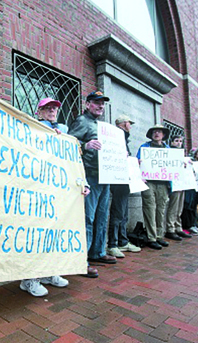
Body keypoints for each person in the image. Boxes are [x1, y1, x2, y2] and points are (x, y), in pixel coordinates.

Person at [19, 97, 90, 296]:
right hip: (38, 189)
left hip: (59, 192)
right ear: (38, 112)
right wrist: (46, 134)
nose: (52, 111)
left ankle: (50, 272)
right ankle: (30, 278)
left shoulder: (65, 133)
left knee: (55, 232)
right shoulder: (32, 128)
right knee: (37, 232)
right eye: (47, 108)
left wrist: (83, 182)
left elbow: (74, 161)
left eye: (54, 108)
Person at [69, 91, 117, 277]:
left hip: (106, 175)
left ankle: (98, 251)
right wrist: (85, 146)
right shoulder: (82, 121)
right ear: (88, 104)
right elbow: (70, 142)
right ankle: (82, 260)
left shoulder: (104, 126)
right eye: (96, 103)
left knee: (102, 216)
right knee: (87, 218)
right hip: (90, 175)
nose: (100, 106)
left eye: (102, 104)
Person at [106, 115, 142, 258]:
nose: (130, 126)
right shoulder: (116, 136)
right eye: (129, 123)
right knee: (118, 212)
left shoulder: (123, 138)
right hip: (117, 179)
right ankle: (113, 244)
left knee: (123, 212)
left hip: (124, 178)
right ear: (124, 124)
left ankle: (122, 241)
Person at [136, 124, 172, 250]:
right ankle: (151, 237)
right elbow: (137, 163)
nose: (156, 134)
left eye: (159, 132)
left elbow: (173, 165)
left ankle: (159, 235)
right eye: (154, 132)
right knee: (149, 208)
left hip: (162, 182)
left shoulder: (168, 149)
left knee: (160, 209)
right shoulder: (144, 147)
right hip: (148, 182)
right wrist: (138, 163)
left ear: (163, 135)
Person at [165, 135, 191, 241]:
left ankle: (178, 227)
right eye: (176, 141)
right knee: (173, 207)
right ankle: (170, 229)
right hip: (174, 183)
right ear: (171, 142)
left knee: (180, 207)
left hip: (182, 183)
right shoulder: (169, 152)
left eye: (180, 141)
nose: (178, 143)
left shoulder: (183, 154)